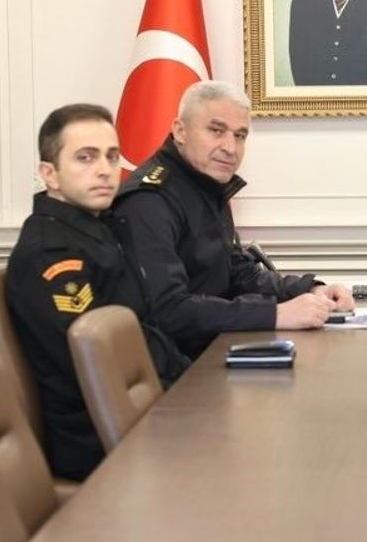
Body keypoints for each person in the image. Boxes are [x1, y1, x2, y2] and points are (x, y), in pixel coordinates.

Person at [6, 104, 190, 481]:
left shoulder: (97, 229)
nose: (105, 170)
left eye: (112, 156)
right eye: (85, 158)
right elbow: (95, 364)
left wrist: (191, 381)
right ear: (49, 174)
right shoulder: (52, 253)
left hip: (137, 408)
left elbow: (143, 329)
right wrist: (188, 395)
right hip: (98, 437)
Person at [113, 81, 354, 359]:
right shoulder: (149, 200)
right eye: (216, 131)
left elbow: (237, 273)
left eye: (240, 135)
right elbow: (170, 310)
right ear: (180, 131)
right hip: (178, 369)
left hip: (211, 348)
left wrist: (311, 290)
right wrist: (275, 314)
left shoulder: (204, 184)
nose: (230, 147)